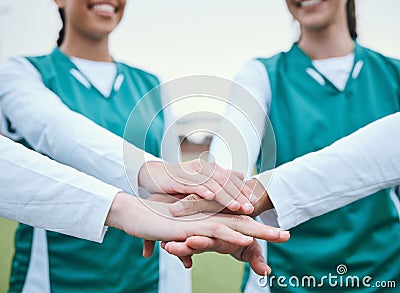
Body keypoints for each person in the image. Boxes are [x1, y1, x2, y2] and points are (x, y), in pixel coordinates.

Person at [0, 1, 250, 292]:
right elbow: (51, 127)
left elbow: (176, 196)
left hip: (146, 280)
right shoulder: (21, 72)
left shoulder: (150, 84)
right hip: (56, 280)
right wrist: (146, 168)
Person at [182, 0, 400, 291]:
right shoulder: (263, 74)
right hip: (283, 278)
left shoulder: (392, 74)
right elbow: (232, 149)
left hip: (385, 278)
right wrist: (214, 193)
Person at [163, 112, 400, 276]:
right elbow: (239, 129)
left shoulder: (392, 71)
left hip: (384, 268)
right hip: (282, 272)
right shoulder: (264, 71)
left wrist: (233, 196)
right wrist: (215, 187)